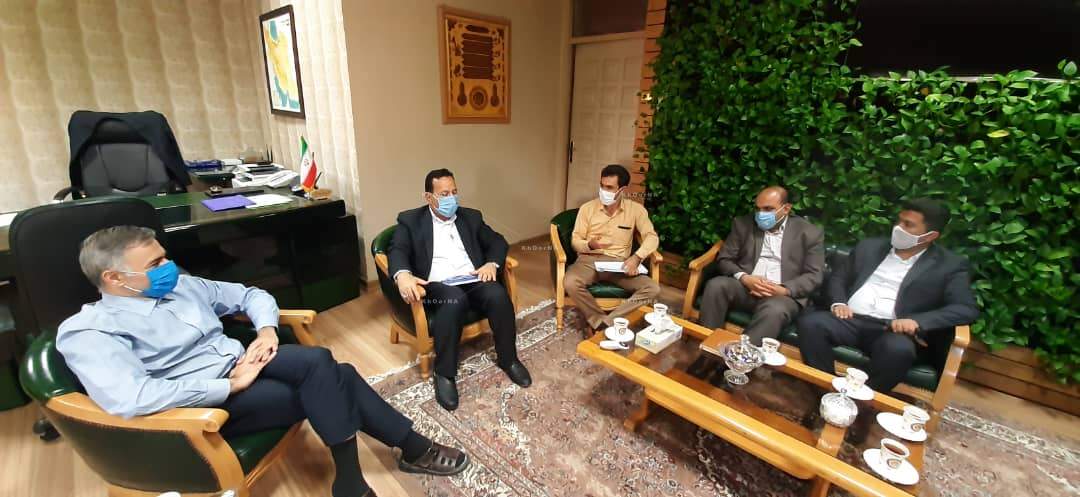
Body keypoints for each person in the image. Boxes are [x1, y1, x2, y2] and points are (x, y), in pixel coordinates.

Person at [57, 226, 468, 497]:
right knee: (334, 380)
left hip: (244, 362)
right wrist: (228, 385)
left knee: (322, 364)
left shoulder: (182, 286)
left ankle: (355, 480)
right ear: (114, 278)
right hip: (203, 405)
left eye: (165, 257)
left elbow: (250, 295)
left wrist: (267, 331)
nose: (169, 267)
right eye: (155, 264)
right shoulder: (89, 331)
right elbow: (132, 398)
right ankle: (387, 462)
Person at [797, 198, 979, 393]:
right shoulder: (869, 247)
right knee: (812, 324)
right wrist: (838, 303)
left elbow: (965, 308)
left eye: (908, 224)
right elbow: (838, 278)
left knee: (899, 351)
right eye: (899, 221)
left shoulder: (949, 266)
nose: (898, 228)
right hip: (849, 319)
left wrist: (918, 321)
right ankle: (825, 392)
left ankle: (859, 399)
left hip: (891, 331)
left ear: (930, 236)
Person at [389, 168, 531, 411]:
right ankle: (444, 373)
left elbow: (497, 241)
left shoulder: (470, 217)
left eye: (454, 192)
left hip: (472, 277)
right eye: (444, 194)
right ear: (428, 197)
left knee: (497, 294)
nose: (451, 199)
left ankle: (509, 359)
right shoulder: (410, 220)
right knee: (453, 299)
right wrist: (403, 275)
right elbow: (397, 249)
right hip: (438, 284)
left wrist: (491, 263)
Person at [698, 186, 825, 345]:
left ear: (786, 209)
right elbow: (725, 259)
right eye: (758, 209)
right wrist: (744, 278)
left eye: (768, 209)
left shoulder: (809, 233)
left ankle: (740, 357)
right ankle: (708, 347)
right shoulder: (743, 224)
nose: (761, 214)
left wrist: (784, 289)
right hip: (745, 287)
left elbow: (814, 275)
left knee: (775, 310)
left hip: (781, 295)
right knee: (716, 285)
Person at [565, 164, 661, 330]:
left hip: (619, 265)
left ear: (622, 189)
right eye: (602, 185)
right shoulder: (587, 208)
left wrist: (636, 258)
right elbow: (575, 240)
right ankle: (597, 320)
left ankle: (607, 322)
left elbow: (652, 237)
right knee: (570, 282)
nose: (603, 191)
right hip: (589, 260)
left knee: (652, 289)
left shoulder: (636, 210)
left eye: (609, 187)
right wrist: (589, 244)